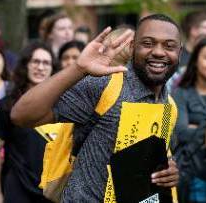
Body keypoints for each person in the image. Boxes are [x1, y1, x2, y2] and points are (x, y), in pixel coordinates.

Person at [11, 14, 180, 202]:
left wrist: (169, 172)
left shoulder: (169, 106)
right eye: (148, 43)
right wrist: (79, 68)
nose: (158, 52)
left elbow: (150, 161)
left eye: (169, 46)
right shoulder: (106, 85)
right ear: (132, 47)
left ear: (179, 52)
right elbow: (21, 115)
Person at [0, 42, 57, 203]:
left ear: (53, 69)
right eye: (35, 61)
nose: (40, 67)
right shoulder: (6, 105)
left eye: (46, 63)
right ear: (25, 65)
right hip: (17, 188)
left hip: (53, 190)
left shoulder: (64, 105)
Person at [173, 38, 206, 203]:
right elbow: (181, 133)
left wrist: (196, 126)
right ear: (195, 61)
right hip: (192, 172)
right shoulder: (181, 94)